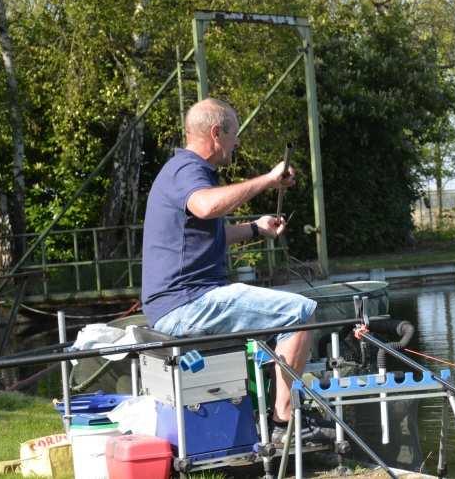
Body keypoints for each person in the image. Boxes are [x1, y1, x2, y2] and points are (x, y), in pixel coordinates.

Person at [140, 98, 331, 444]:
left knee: (286, 317)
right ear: (216, 133)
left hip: (180, 301)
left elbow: (209, 232)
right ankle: (285, 423)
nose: (236, 143)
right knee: (301, 313)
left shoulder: (181, 171)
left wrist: (255, 229)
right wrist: (269, 180)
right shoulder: (189, 170)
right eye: (234, 135)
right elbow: (207, 206)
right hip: (187, 303)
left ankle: (273, 410)